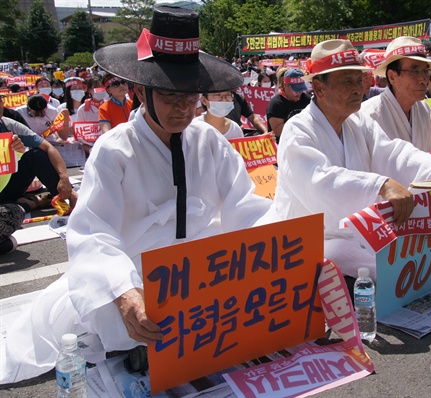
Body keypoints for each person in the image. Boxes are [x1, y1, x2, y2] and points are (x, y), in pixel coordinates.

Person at [0, 6, 274, 384]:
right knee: (117, 314)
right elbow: (94, 232)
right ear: (141, 93)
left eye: (191, 96)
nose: (183, 108)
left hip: (202, 268)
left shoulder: (210, 139)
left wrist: (290, 249)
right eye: (168, 95)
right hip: (134, 271)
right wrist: (123, 291)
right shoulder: (115, 150)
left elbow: (246, 207)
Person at [272, 39, 431, 280]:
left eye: (358, 80)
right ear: (320, 89)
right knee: (395, 267)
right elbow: (320, 183)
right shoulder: (298, 130)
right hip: (308, 240)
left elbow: (393, 152)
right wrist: (381, 185)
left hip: (353, 233)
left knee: (422, 255)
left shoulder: (358, 122)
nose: (358, 89)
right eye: (347, 82)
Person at [361, 36, 431, 152]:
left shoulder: (425, 111)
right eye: (415, 71)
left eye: (425, 71)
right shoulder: (367, 115)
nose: (424, 79)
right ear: (392, 77)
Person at [0, 96, 77, 213]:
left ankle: (70, 197)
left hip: (6, 185)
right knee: (9, 215)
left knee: (36, 155)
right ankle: (31, 204)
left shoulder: (8, 124)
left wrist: (64, 178)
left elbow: (48, 147)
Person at [266, 68, 310, 141]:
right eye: (296, 89)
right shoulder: (276, 104)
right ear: (285, 85)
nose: (299, 92)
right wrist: (302, 122)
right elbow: (278, 131)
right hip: (284, 146)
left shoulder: (306, 99)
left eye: (301, 89)